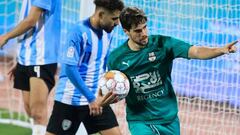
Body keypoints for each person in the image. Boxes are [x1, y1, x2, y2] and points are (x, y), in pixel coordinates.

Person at [107, 7, 238, 135]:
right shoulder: (116, 58)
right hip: (141, 121)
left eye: (145, 27)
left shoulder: (163, 44)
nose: (144, 34)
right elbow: (114, 89)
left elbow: (196, 51)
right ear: (126, 31)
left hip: (168, 118)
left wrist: (220, 50)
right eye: (138, 31)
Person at [46, 0, 124, 135]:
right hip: (71, 99)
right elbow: (70, 68)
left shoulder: (108, 32)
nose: (117, 23)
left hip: (97, 100)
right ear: (101, 15)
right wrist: (90, 98)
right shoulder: (78, 32)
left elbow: (103, 61)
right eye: (114, 18)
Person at [0, 0, 61, 135]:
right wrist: (21, 58)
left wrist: (5, 37)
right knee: (31, 111)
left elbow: (31, 20)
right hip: (26, 58)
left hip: (42, 58)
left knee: (38, 112)